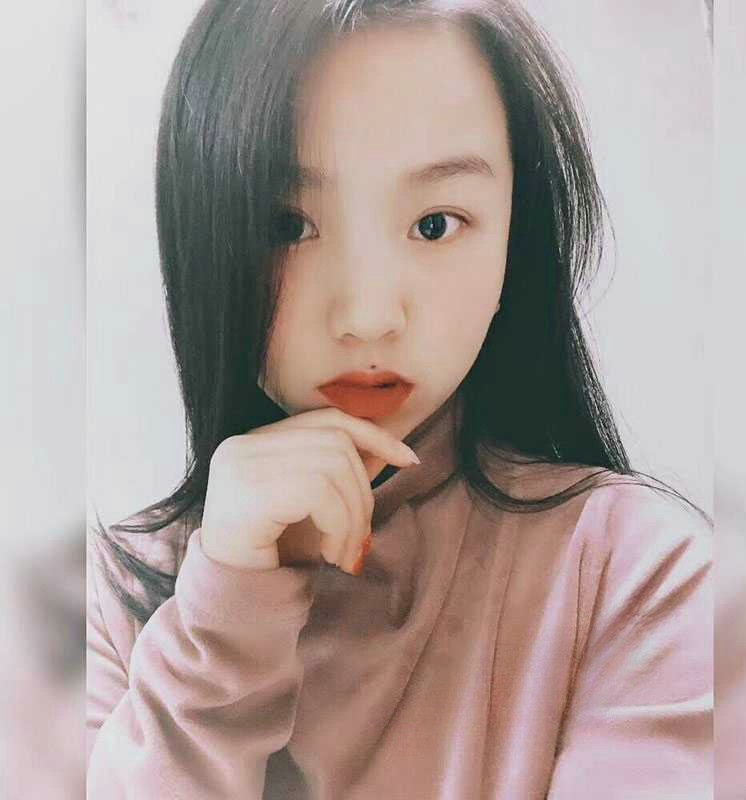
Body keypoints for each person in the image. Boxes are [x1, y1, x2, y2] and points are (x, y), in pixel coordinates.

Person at [86, 0, 712, 797]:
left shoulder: (637, 576)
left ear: (516, 239)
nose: (369, 316)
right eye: (287, 225)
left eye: (435, 224)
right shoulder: (106, 601)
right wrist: (224, 620)